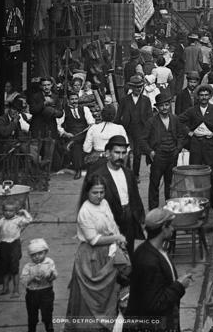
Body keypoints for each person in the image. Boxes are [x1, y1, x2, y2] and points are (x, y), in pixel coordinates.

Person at [66, 174, 126, 331]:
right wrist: (116, 237)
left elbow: (112, 224)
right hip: (91, 257)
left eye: (102, 192)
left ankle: (107, 323)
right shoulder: (84, 212)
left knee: (108, 294)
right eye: (95, 192)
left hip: (107, 252)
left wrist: (118, 240)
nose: (99, 196)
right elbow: (93, 240)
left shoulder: (104, 203)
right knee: (91, 297)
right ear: (87, 192)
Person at [126, 208, 193, 332]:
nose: (173, 229)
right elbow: (155, 303)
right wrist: (179, 285)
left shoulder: (155, 250)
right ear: (163, 228)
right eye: (170, 226)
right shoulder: (148, 261)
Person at [87, 135, 145, 253]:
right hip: (109, 222)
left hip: (128, 219)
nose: (121, 157)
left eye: (123, 153)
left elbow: (135, 197)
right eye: (117, 153)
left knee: (128, 255)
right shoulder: (99, 176)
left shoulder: (128, 173)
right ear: (108, 153)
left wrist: (140, 218)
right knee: (111, 257)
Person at [178, 84, 213, 177]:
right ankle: (198, 191)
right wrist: (188, 132)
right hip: (195, 143)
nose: (204, 97)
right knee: (195, 169)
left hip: (210, 143)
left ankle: (212, 191)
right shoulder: (192, 110)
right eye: (201, 95)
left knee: (212, 170)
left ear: (209, 96)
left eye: (206, 95)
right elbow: (178, 121)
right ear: (198, 97)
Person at [147, 91, 183, 209]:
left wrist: (178, 149)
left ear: (169, 105)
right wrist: (150, 151)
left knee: (170, 184)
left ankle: (170, 208)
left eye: (166, 105)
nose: (164, 108)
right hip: (158, 157)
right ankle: (153, 210)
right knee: (154, 184)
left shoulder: (175, 119)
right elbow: (142, 139)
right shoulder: (151, 122)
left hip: (172, 156)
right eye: (161, 106)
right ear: (157, 108)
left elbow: (181, 136)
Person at [117, 74, 152, 180]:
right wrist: (117, 129)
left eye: (140, 87)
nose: (138, 89)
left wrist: (149, 130)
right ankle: (126, 174)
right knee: (126, 153)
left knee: (137, 154)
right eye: (136, 87)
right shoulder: (124, 100)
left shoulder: (146, 100)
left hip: (140, 130)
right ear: (131, 87)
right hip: (127, 129)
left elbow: (150, 116)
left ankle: (136, 175)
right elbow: (118, 115)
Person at [0, 201, 32, 296]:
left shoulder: (18, 220)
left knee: (14, 268)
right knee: (4, 268)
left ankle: (15, 290)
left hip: (14, 245)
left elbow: (29, 220)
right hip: (3, 245)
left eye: (11, 211)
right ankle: (5, 288)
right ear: (3, 211)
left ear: (15, 211)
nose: (8, 212)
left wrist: (24, 212)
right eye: (6, 210)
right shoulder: (2, 220)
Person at [20, 237, 55, 332]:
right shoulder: (28, 266)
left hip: (46, 292)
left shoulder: (49, 262)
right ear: (30, 256)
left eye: (40, 253)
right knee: (32, 317)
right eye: (33, 255)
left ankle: (49, 328)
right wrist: (32, 277)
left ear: (45, 252)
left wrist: (50, 275)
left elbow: (54, 276)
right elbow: (23, 280)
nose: (37, 256)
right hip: (32, 294)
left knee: (47, 315)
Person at [58, 91, 94, 180]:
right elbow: (58, 126)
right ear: (68, 101)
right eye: (72, 99)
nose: (74, 101)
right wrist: (65, 134)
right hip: (71, 135)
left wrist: (86, 132)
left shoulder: (84, 109)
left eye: (76, 99)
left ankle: (73, 141)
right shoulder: (64, 111)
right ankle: (78, 170)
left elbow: (91, 124)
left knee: (76, 141)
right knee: (76, 146)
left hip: (84, 134)